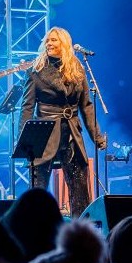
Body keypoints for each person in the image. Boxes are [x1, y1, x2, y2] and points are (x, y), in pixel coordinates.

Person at [22, 27, 105, 218]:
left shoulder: (77, 68)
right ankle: (35, 226)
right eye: (47, 40)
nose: (49, 43)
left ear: (64, 44)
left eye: (54, 40)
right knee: (38, 186)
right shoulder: (36, 70)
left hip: (71, 132)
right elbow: (26, 107)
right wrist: (25, 140)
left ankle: (80, 227)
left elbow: (86, 105)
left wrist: (97, 137)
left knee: (79, 184)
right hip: (45, 131)